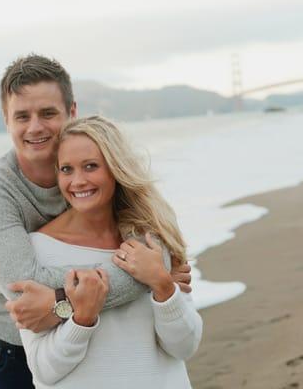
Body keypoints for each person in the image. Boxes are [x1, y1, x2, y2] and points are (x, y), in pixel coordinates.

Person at [0, 54, 192, 389]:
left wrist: (60, 301)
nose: (35, 127)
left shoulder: (97, 165)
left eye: (47, 113)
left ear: (72, 112)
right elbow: (26, 283)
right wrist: (151, 276)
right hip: (14, 347)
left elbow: (150, 234)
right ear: (6, 120)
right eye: (22, 116)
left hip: (91, 329)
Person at [18, 116, 202, 388]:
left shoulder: (152, 238)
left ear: (116, 168)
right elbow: (43, 370)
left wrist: (163, 285)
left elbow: (185, 347)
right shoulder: (38, 250)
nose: (78, 181)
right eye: (66, 169)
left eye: (91, 166)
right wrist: (82, 317)